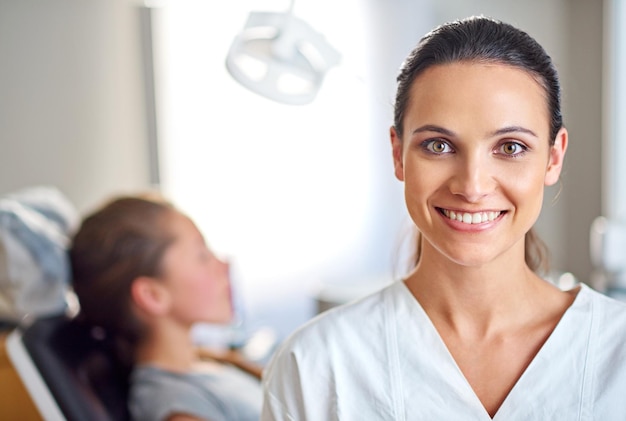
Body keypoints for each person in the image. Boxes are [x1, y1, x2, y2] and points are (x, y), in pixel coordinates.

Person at [261, 16, 626, 420]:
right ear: (398, 154)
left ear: (554, 157)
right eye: (438, 145)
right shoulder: (316, 365)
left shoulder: (617, 352)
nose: (471, 186)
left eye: (510, 147)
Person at [70, 193, 262, 421]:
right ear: (152, 295)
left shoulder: (204, 362)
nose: (223, 265)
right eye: (202, 256)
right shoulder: (178, 406)